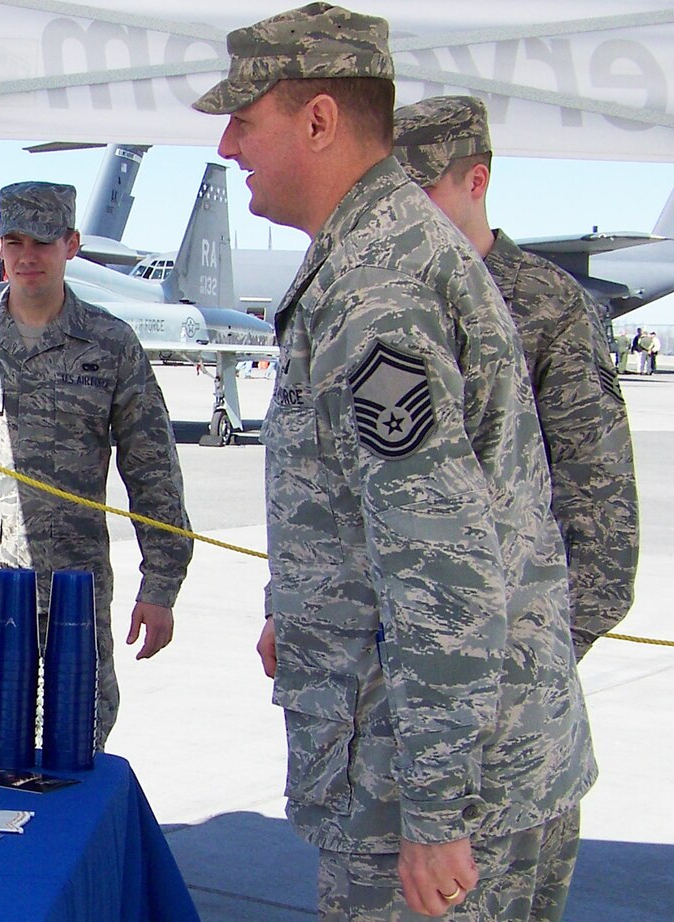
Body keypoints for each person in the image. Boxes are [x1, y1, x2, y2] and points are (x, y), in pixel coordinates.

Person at [195, 5, 594, 920]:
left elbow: (441, 568)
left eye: (244, 120)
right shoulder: (386, 256)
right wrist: (299, 610)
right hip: (481, 759)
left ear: (320, 120)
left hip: (433, 796)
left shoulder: (378, 291)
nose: (227, 144)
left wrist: (434, 809)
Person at [0, 180, 193, 750]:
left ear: (71, 245)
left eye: (44, 241)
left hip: (72, 587)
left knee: (77, 735)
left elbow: (153, 470)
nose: (28, 256)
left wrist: (162, 585)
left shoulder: (109, 344)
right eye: (15, 240)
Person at [392, 95, 640, 660]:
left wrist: (546, 649)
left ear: (475, 180)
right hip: (387, 637)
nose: (406, 213)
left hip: (509, 642)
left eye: (422, 193)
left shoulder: (547, 305)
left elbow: (599, 492)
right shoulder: (382, 299)